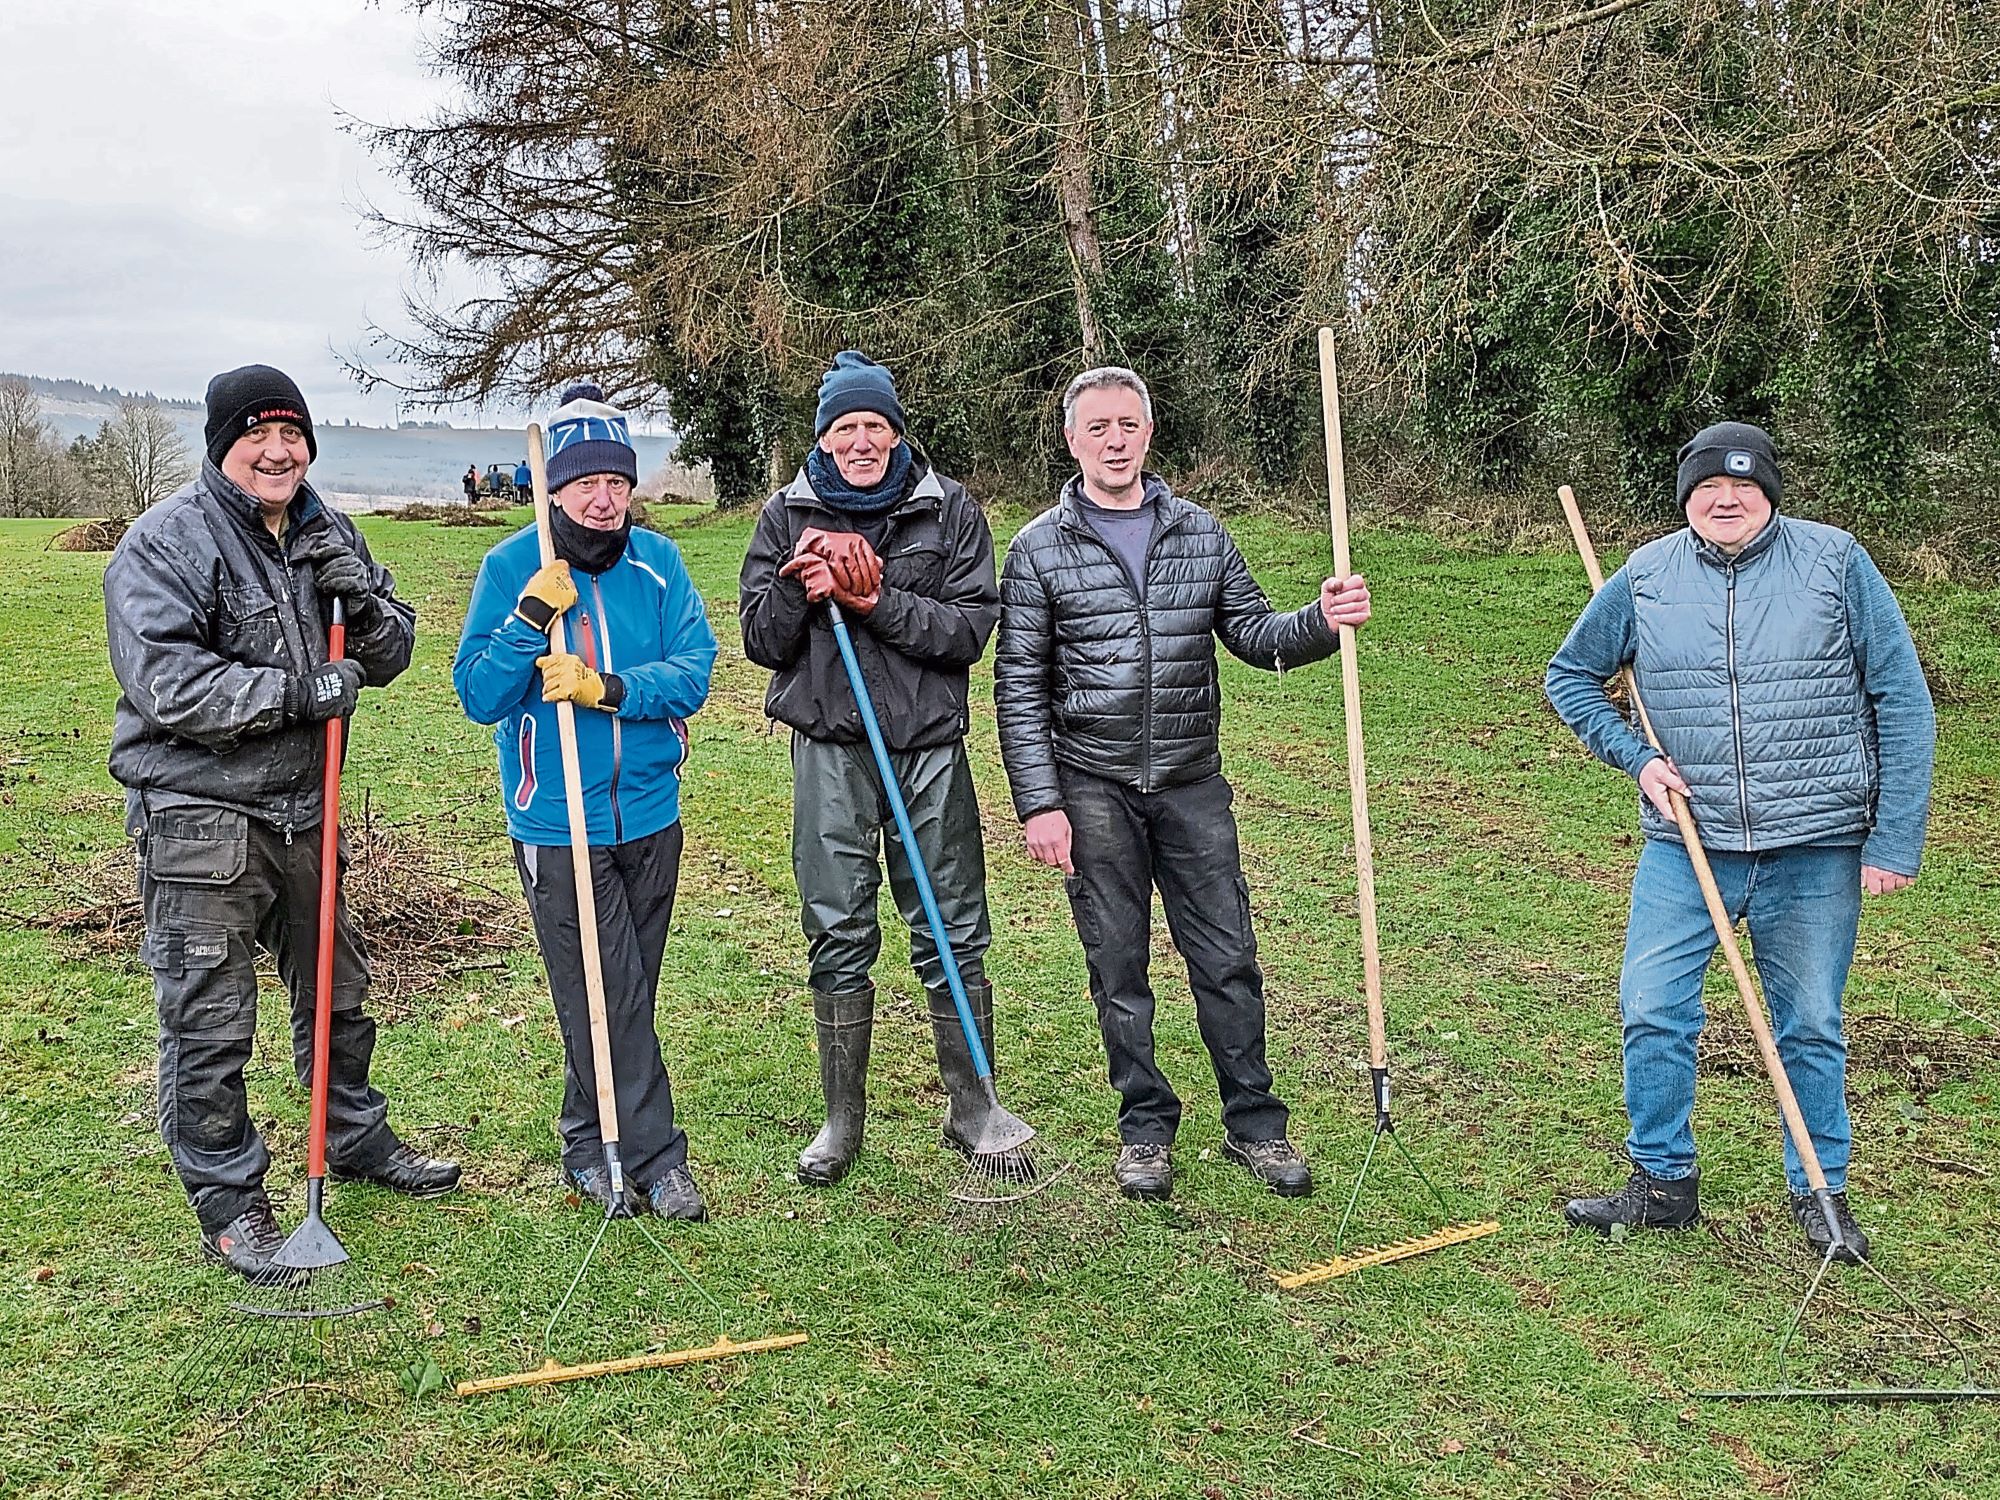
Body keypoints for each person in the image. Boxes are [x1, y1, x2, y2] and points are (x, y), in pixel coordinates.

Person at [1546, 421, 1936, 1262]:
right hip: (1689, 842)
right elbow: (1569, 676)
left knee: (1810, 1024)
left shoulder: (1835, 561)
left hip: (1817, 844)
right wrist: (1638, 758)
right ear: (1687, 495)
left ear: (1770, 493)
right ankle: (1661, 1183)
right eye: (1707, 487)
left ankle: (1821, 1192)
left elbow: (1902, 699)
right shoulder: (1647, 575)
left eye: (1745, 486)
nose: (1726, 499)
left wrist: (1894, 839)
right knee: (1652, 1007)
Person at [103, 364, 459, 1281]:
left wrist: (367, 600)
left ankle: (349, 1137)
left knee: (339, 989)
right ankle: (230, 1204)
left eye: (291, 435)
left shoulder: (324, 527)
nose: (278, 452)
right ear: (224, 445)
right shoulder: (162, 543)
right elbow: (170, 685)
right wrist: (298, 693)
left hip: (308, 806)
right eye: (257, 436)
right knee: (211, 1015)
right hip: (202, 815)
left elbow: (391, 651)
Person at [994, 365, 1372, 1201]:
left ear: (1149, 433)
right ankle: (1145, 1131)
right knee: (1118, 966)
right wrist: (1041, 803)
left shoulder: (1200, 532)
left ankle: (1257, 1127)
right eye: (1098, 428)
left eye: (1129, 424)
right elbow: (1018, 688)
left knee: (1227, 955)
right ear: (1071, 440)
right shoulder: (1037, 548)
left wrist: (1322, 620)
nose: (1116, 440)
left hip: (1192, 783)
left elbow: (1254, 633)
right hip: (1092, 784)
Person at [739, 351, 1021, 1186]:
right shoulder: (785, 515)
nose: (861, 440)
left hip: (928, 745)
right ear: (823, 439)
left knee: (952, 924)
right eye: (844, 427)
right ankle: (841, 1120)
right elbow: (761, 640)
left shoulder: (950, 511)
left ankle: (974, 1107)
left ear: (897, 430)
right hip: (831, 744)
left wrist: (872, 601)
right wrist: (801, 585)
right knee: (838, 925)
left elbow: (970, 629)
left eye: (874, 424)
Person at [454, 383, 718, 1219]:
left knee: (623, 985)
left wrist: (606, 686)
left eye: (618, 482)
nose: (605, 499)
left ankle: (584, 1136)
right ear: (556, 490)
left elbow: (695, 671)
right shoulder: (511, 568)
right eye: (586, 484)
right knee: (603, 982)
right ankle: (655, 1155)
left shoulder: (659, 565)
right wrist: (530, 618)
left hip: (647, 809)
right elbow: (478, 693)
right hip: (556, 815)